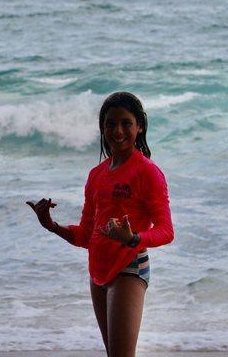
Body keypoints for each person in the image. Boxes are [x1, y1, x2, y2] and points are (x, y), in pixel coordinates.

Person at [26, 91, 174, 357]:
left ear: (140, 126)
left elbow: (166, 231)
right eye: (110, 124)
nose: (118, 131)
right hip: (98, 271)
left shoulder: (148, 172)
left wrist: (133, 238)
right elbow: (86, 235)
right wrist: (52, 226)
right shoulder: (96, 175)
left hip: (129, 266)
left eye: (126, 123)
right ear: (102, 128)